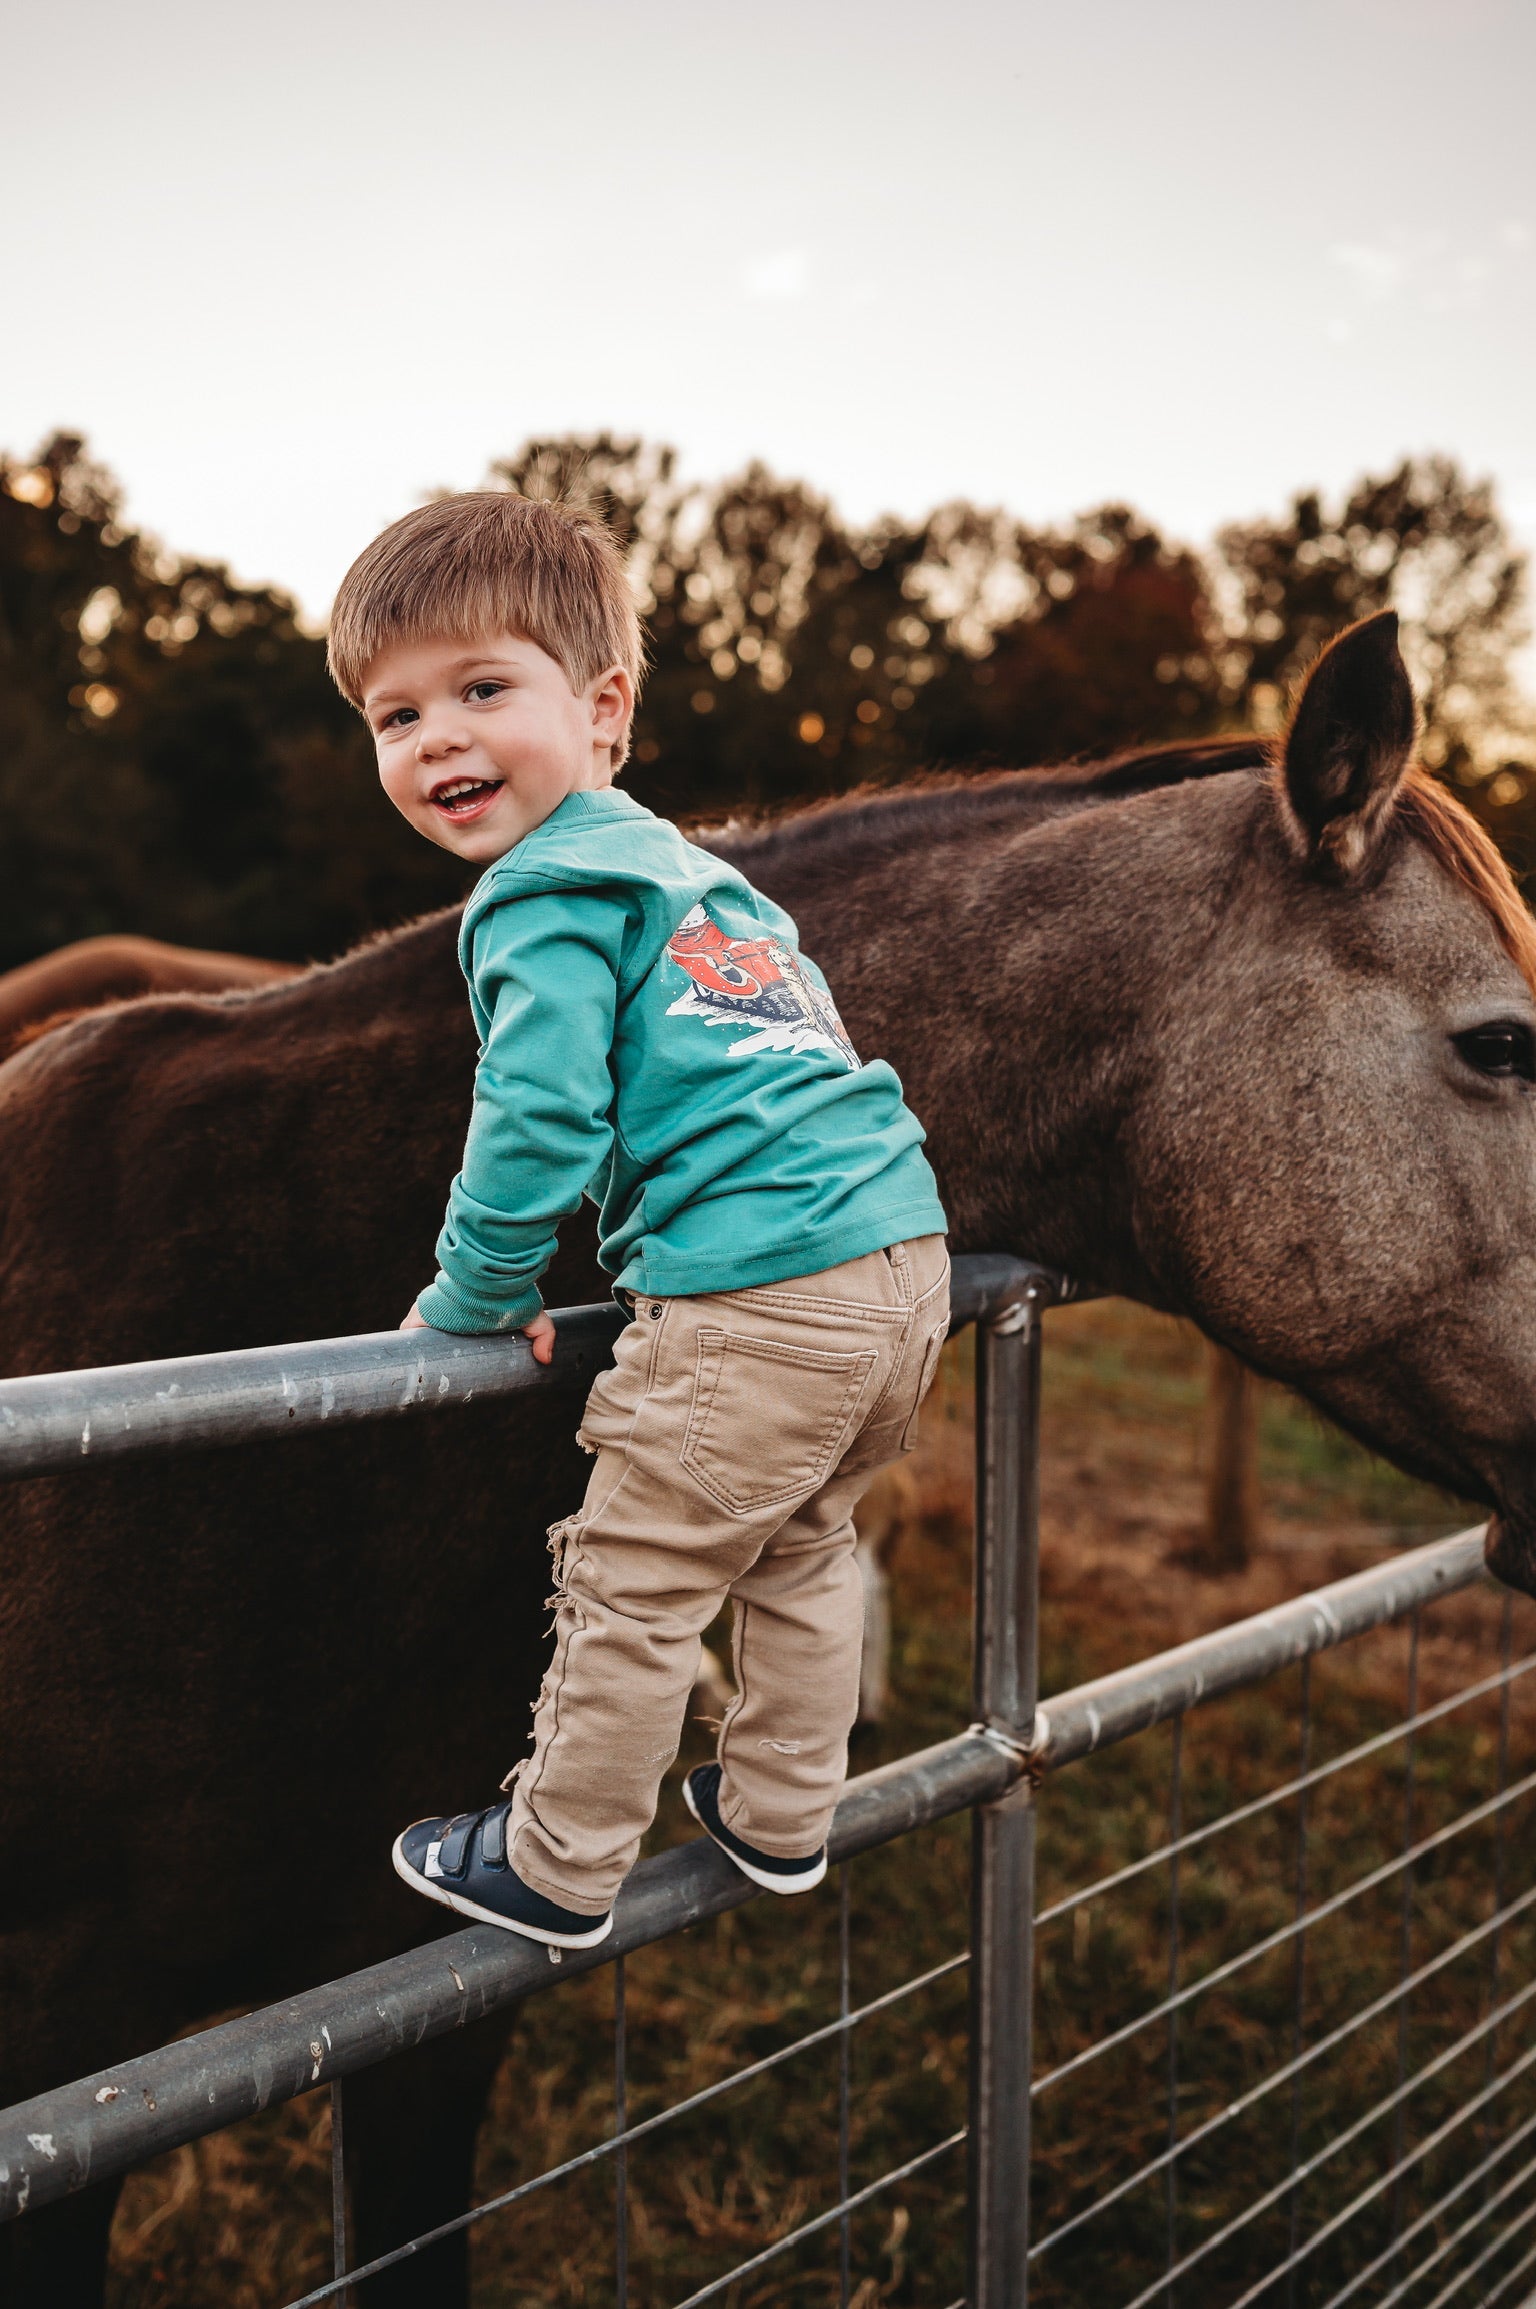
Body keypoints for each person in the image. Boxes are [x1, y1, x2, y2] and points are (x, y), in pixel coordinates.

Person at [327, 492, 950, 1949]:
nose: (438, 741)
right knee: (802, 1533)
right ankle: (786, 1810)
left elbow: (541, 1118)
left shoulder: (540, 893)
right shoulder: (708, 882)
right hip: (898, 1265)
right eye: (394, 715)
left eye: (484, 688)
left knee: (638, 1571)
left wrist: (475, 1289)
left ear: (602, 711)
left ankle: (559, 1852)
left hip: (760, 1292)